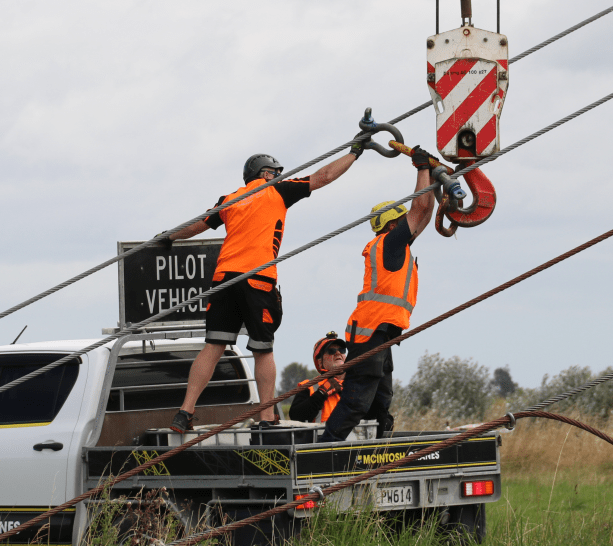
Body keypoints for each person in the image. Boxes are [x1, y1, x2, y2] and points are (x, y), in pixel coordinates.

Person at [163, 135, 368, 433]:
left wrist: (169, 237)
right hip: (257, 279)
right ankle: (266, 418)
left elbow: (198, 224)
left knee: (213, 347)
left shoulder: (230, 199)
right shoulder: (277, 190)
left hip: (223, 280)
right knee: (263, 349)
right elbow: (323, 176)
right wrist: (355, 152)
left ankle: (184, 412)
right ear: (266, 173)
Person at [321, 146, 437, 442]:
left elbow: (425, 212)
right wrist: (421, 168)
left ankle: (378, 458)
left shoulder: (396, 246)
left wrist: (432, 177)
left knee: (380, 404)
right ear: (393, 223)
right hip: (370, 334)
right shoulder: (390, 242)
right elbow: (420, 210)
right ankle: (320, 456)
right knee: (357, 402)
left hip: (381, 335)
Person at [288, 332, 347, 423]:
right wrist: (320, 394)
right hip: (322, 436)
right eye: (331, 351)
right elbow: (295, 416)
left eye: (342, 350)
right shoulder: (309, 387)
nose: (338, 353)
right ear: (320, 362)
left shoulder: (357, 383)